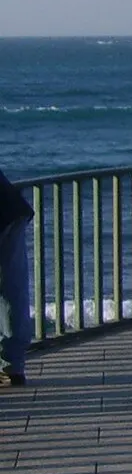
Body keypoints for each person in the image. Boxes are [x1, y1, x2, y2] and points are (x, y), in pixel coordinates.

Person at [0, 166, 32, 388]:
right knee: (13, 288)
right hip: (10, 208)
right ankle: (13, 366)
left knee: (11, 290)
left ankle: (10, 365)